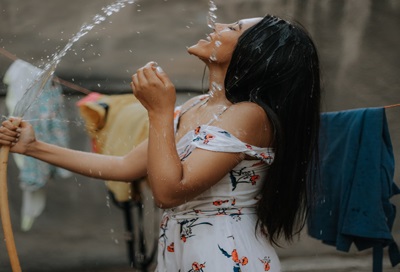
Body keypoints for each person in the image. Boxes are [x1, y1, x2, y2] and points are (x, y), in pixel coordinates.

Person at [0, 14, 321, 271]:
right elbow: (125, 166)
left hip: (226, 255)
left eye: (233, 28)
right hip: (180, 248)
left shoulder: (248, 116)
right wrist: (33, 147)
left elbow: (168, 192)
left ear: (253, 54)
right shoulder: (195, 107)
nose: (217, 25)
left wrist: (159, 111)